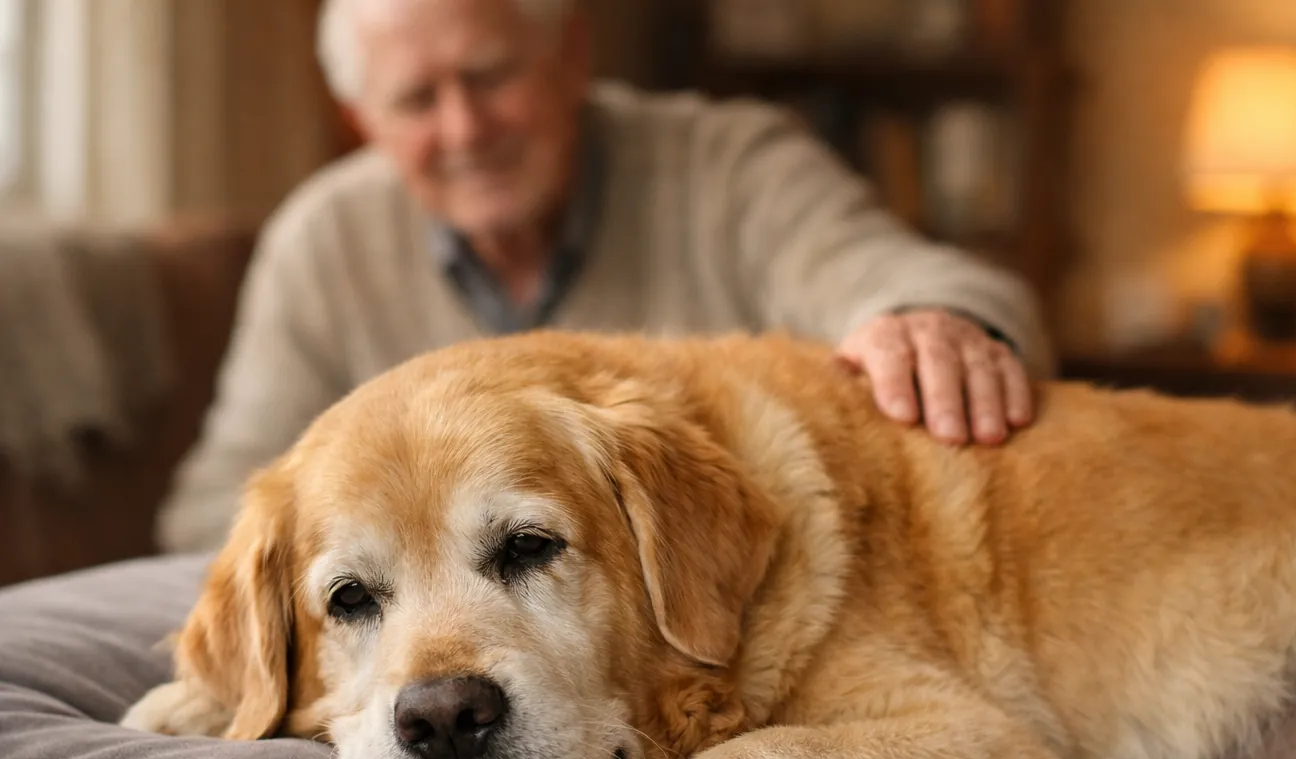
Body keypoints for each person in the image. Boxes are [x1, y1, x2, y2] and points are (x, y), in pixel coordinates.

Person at [157, 0, 1054, 553]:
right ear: (363, 118)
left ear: (573, 55)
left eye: (491, 76)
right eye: (417, 100)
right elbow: (212, 511)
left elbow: (918, 281)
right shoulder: (322, 240)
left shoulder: (734, 164)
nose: (465, 130)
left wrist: (926, 320)